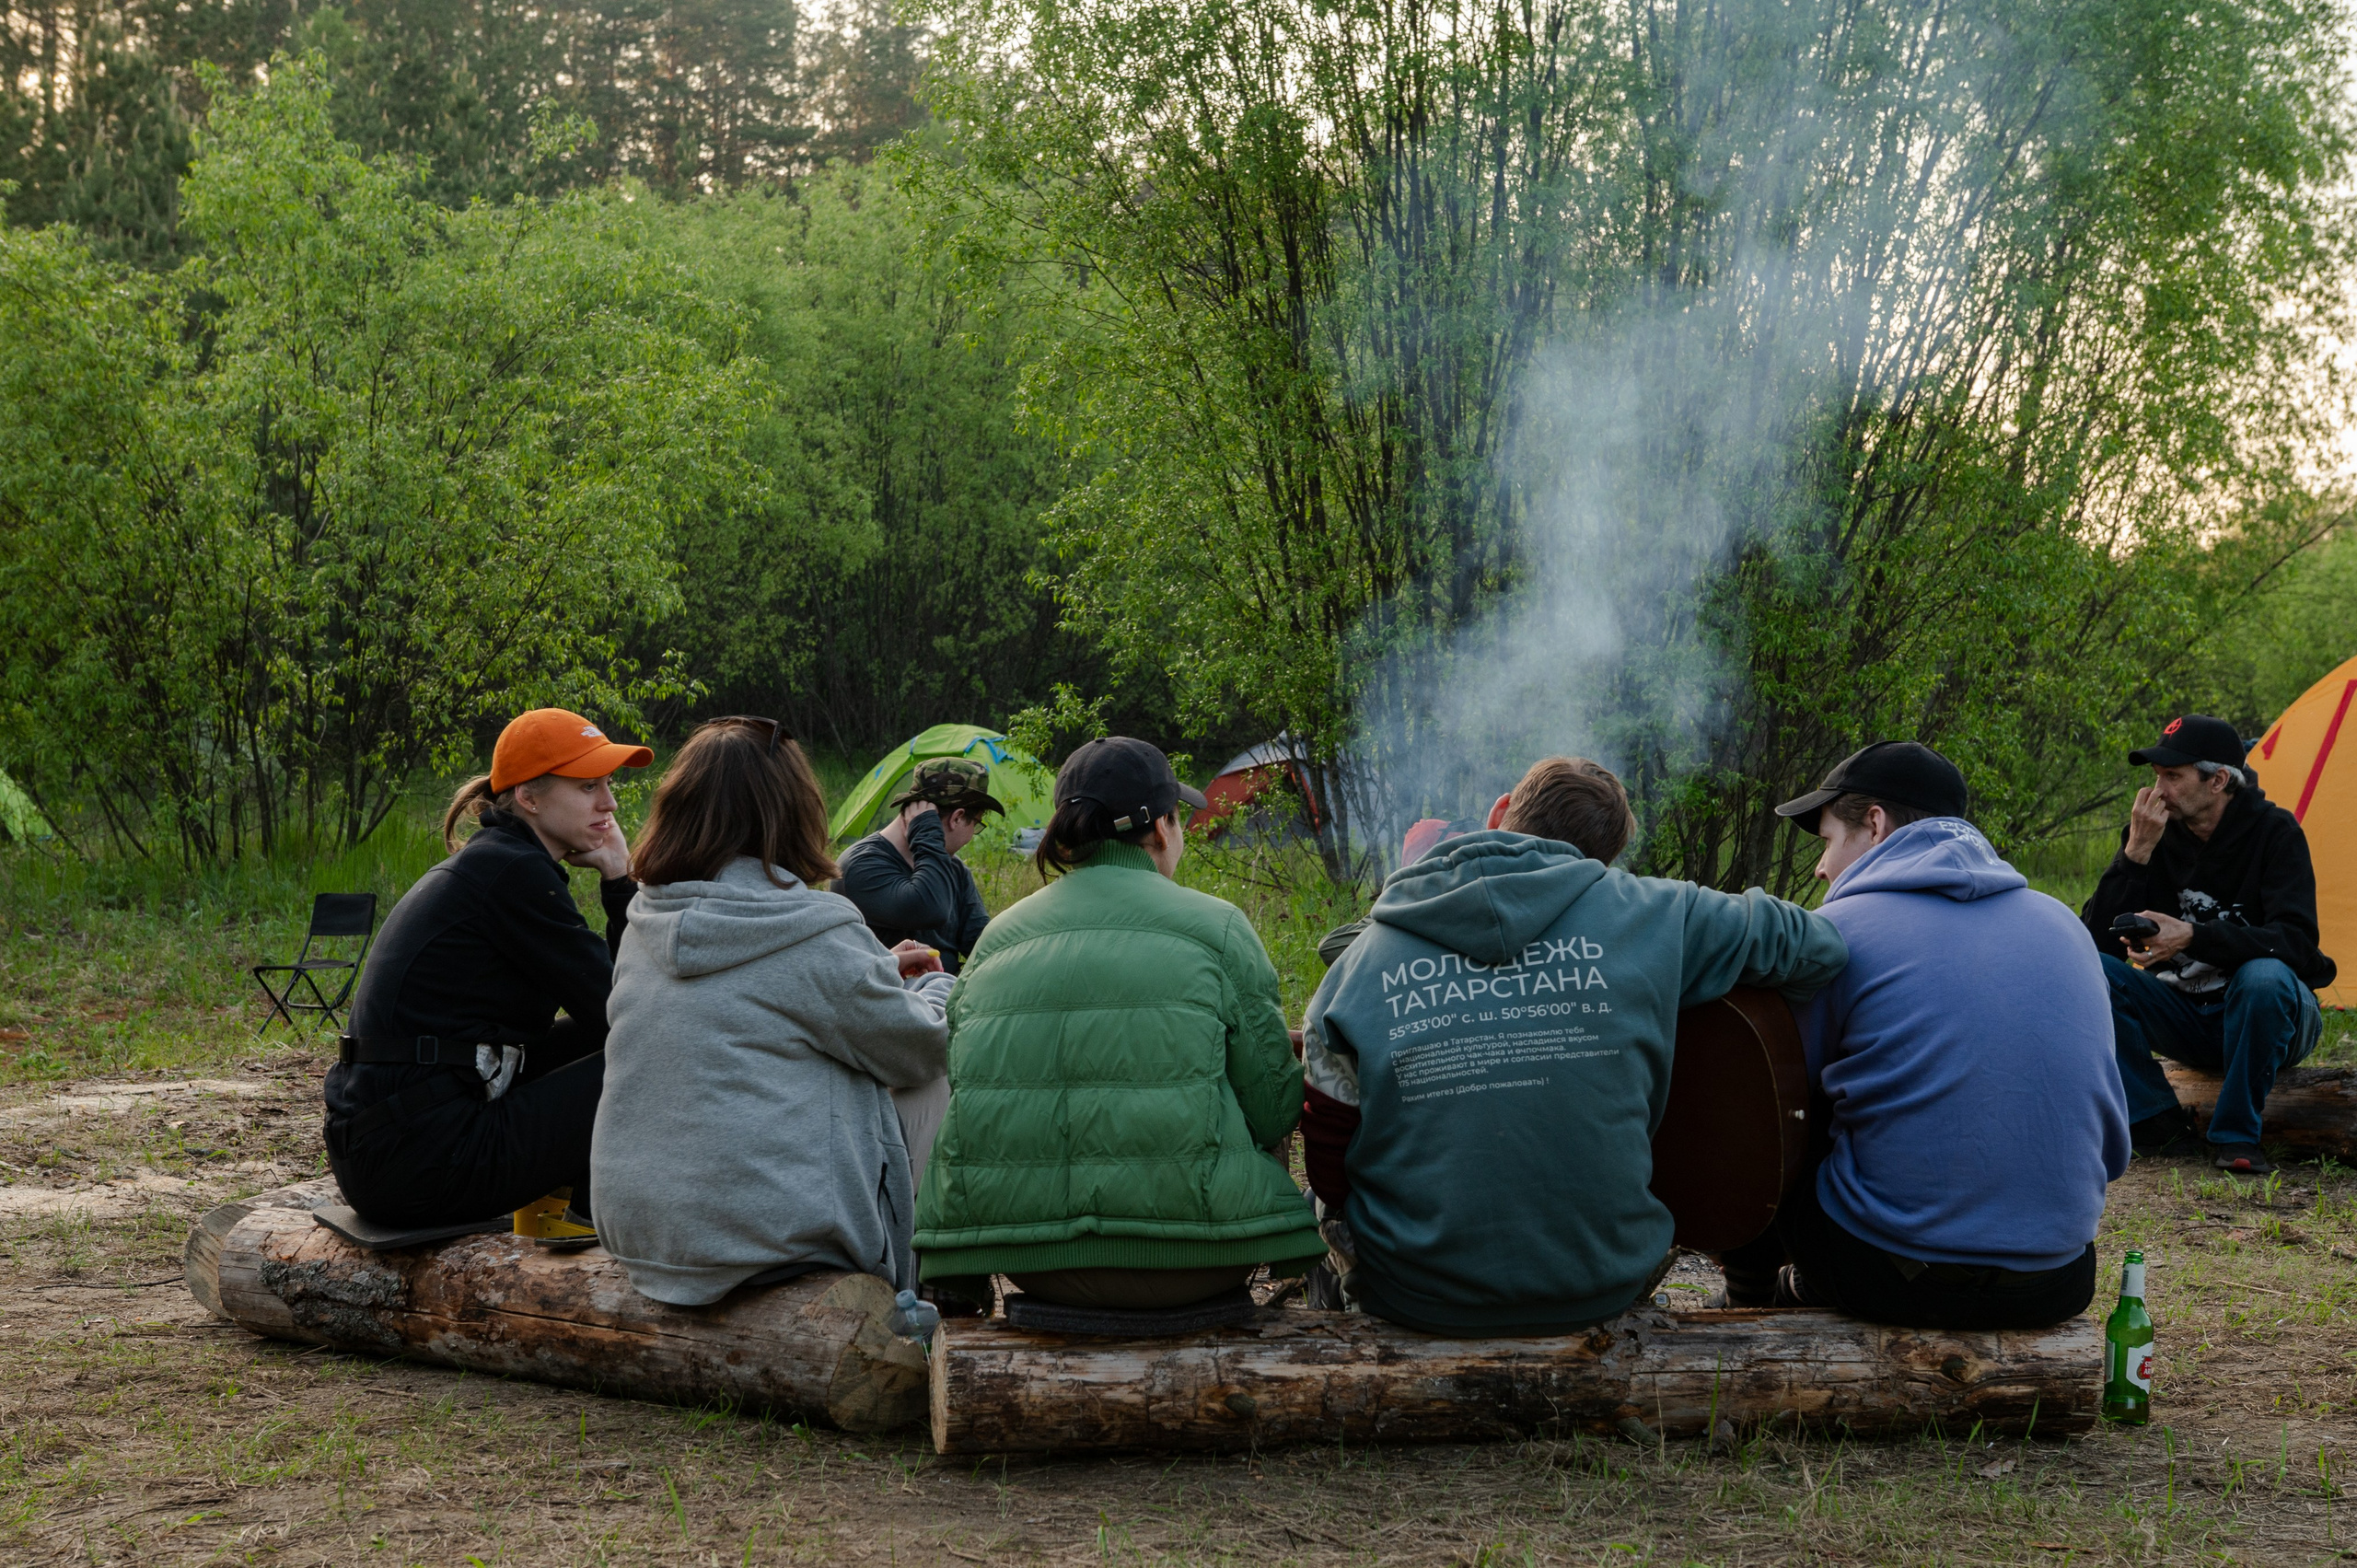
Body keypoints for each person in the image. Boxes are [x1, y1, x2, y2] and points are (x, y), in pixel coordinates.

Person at [1298, 756, 1848, 1337]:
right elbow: (1820, 948)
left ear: (1500, 813)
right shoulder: (1657, 914)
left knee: (1318, 1197)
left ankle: (1335, 1339)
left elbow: (1330, 1164)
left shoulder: (1360, 961)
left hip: (1416, 1295)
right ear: (1601, 861)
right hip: (1601, 1284)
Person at [1714, 741, 2130, 1328]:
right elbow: (2113, 1151)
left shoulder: (1839, 932)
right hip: (2056, 1281)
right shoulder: (2063, 923)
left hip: (1894, 1278)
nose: (1821, 867)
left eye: (1829, 840)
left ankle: (1754, 1304)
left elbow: (1777, 1116)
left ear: (1876, 824)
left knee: (1755, 1116)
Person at [913, 737, 1325, 1310]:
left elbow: (972, 1089)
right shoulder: (1219, 927)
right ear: (1162, 828)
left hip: (1029, 1262)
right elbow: (1276, 1109)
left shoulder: (996, 940)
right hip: (1200, 1260)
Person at [590, 717, 953, 1305]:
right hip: (759, 1237)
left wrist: (874, 970)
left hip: (642, 1234)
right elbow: (922, 1046)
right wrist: (938, 990)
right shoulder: (811, 928)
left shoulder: (643, 920)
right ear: (792, 812)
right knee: (927, 1083)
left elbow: (770, 999)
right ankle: (925, 1297)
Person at [326, 708, 651, 1229]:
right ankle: (587, 1223)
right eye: (589, 786)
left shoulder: (499, 861)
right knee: (655, 1054)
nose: (609, 804)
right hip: (420, 1163)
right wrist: (618, 878)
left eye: (608, 785)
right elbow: (627, 1009)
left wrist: (616, 878)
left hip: (389, 1152)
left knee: (606, 1038)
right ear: (529, 797)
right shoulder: (511, 872)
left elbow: (613, 1008)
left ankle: (559, 1203)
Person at [2083, 714, 2334, 1175]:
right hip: (2185, 1018)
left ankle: (2237, 1135)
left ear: (2218, 780)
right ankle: (2157, 1122)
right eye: (2156, 777)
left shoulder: (2275, 834)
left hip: (2271, 1016)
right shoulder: (2152, 834)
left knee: (2264, 976)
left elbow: (2296, 945)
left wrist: (2194, 936)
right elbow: (2094, 944)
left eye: (2173, 777)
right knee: (2086, 968)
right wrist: (2134, 857)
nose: (2157, 792)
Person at [833, 758, 1002, 974]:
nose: (972, 834)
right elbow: (930, 908)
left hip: (944, 997)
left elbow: (981, 944)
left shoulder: (951, 867)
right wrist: (928, 835)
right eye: (976, 824)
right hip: (888, 1000)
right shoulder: (860, 865)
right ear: (957, 818)